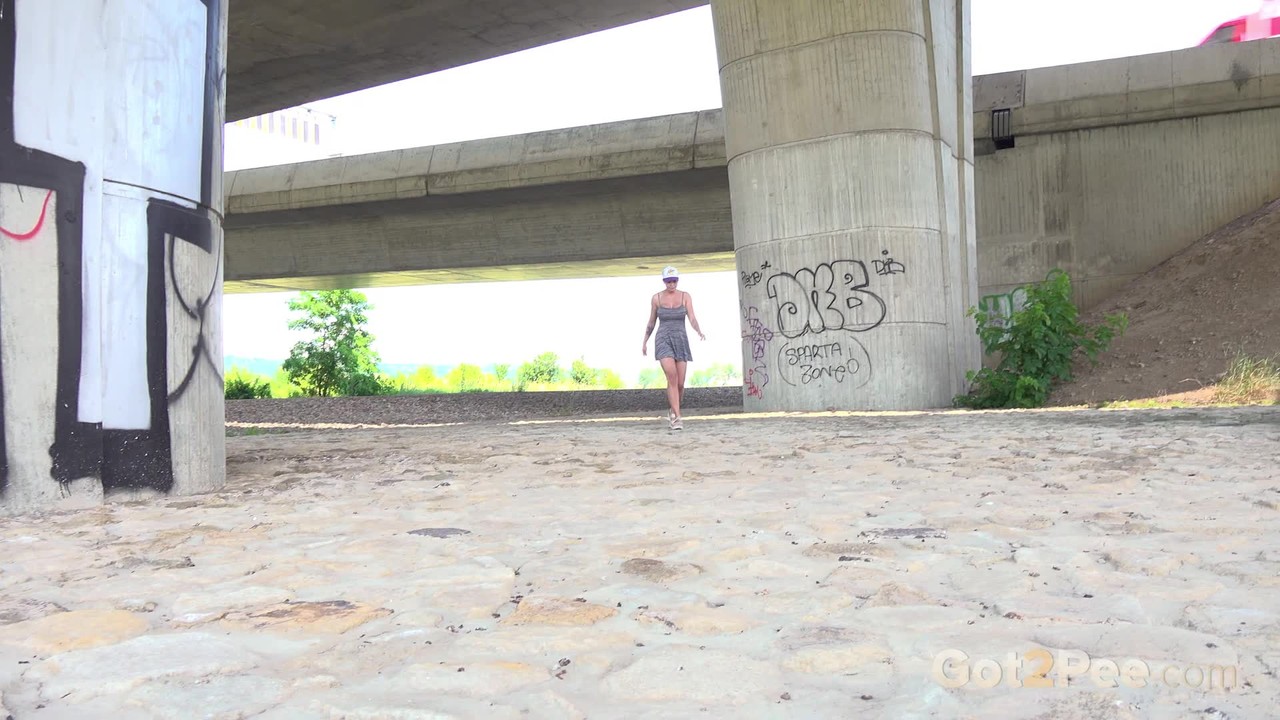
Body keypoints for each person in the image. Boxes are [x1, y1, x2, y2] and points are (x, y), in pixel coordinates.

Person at [641, 266, 705, 430]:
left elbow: (692, 318)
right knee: (672, 377)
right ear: (664, 281)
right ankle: (677, 418)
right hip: (663, 339)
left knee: (680, 383)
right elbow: (651, 322)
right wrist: (645, 341)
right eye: (669, 281)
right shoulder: (656, 298)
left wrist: (698, 330)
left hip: (681, 340)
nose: (672, 284)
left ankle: (673, 408)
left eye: (674, 281)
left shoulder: (685, 296)